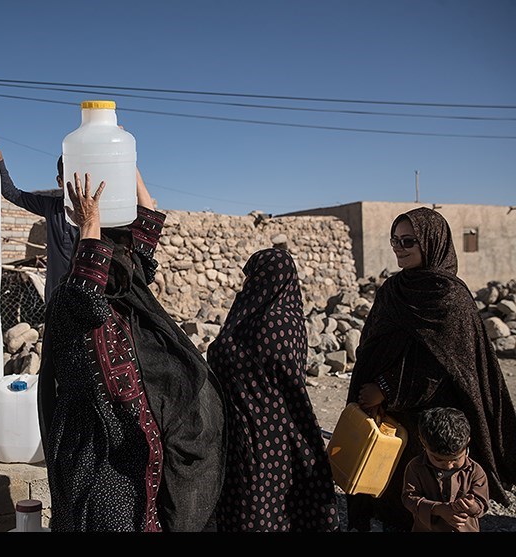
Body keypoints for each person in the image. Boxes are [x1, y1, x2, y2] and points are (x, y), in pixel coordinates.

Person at [37, 171, 226, 532]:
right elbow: (86, 295)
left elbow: (148, 216)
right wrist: (91, 223)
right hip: (93, 444)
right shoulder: (73, 296)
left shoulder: (128, 287)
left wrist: (130, 167)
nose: (120, 259)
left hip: (133, 441)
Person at [346, 206, 516, 532]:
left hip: (432, 420)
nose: (399, 247)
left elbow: (450, 365)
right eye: (394, 240)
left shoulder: (450, 298)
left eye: (408, 240)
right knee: (393, 497)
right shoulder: (392, 291)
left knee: (436, 503)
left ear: (432, 242)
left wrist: (387, 387)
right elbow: (372, 347)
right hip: (390, 419)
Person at [206, 248, 339, 532]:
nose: (246, 286)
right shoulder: (251, 314)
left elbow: (284, 380)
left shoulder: (277, 321)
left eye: (252, 278)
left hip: (267, 430)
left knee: (257, 505)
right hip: (243, 425)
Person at [0, 134, 78, 303]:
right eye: (71, 176)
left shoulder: (100, 214)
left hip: (85, 299)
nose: (77, 182)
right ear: (59, 181)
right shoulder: (51, 207)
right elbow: (12, 194)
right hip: (56, 297)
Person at [402, 407, 489, 532]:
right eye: (439, 459)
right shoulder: (416, 467)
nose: (448, 465)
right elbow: (409, 498)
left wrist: (471, 506)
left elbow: (482, 506)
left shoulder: (475, 472)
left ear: (467, 442)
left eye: (456, 459)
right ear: (422, 442)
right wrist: (438, 509)